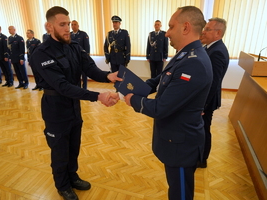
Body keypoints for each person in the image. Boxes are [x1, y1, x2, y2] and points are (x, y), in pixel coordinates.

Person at [29, 6, 121, 200]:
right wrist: (97, 96)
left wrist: (108, 76)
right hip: (55, 108)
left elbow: (90, 69)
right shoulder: (41, 53)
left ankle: (73, 176)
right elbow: (62, 86)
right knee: (60, 149)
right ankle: (62, 185)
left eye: (68, 24)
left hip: (73, 106)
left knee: (73, 146)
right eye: (62, 25)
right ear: (49, 26)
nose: (67, 29)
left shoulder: (74, 46)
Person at [124, 6, 212, 200]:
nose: (167, 32)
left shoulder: (193, 62)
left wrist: (132, 100)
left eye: (171, 26)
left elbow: (161, 107)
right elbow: (160, 80)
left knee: (180, 194)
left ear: (186, 27)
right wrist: (130, 87)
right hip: (175, 139)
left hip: (180, 146)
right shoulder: (184, 54)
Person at [198, 18, 229, 168]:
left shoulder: (217, 52)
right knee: (201, 128)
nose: (204, 31)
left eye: (208, 29)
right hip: (204, 99)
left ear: (218, 33)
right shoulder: (209, 48)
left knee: (204, 129)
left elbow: (213, 82)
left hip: (207, 101)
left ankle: (202, 160)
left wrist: (202, 106)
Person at [71, 20, 90, 89]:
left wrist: (86, 57)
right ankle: (78, 88)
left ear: (78, 26)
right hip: (73, 58)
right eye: (72, 24)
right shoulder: (69, 35)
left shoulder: (83, 34)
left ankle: (84, 88)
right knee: (76, 74)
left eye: (75, 24)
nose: (73, 26)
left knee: (84, 74)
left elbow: (87, 47)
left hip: (82, 57)